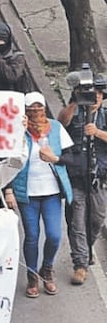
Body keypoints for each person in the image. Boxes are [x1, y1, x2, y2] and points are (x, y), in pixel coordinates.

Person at [7, 91, 73, 298]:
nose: (35, 110)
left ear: (44, 107)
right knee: (32, 236)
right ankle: (33, 275)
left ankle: (47, 268)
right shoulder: (17, 129)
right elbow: (7, 161)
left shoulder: (56, 128)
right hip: (27, 193)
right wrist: (8, 189)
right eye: (30, 107)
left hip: (51, 192)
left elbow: (71, 156)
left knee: (54, 235)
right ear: (24, 110)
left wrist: (55, 158)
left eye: (39, 106)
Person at [58, 74, 107, 285]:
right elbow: (61, 122)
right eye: (90, 93)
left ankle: (86, 249)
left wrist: (97, 132)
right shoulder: (75, 111)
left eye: (97, 94)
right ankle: (80, 264)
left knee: (97, 219)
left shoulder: (104, 115)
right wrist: (75, 100)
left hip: (99, 178)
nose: (93, 97)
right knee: (77, 221)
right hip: (76, 177)